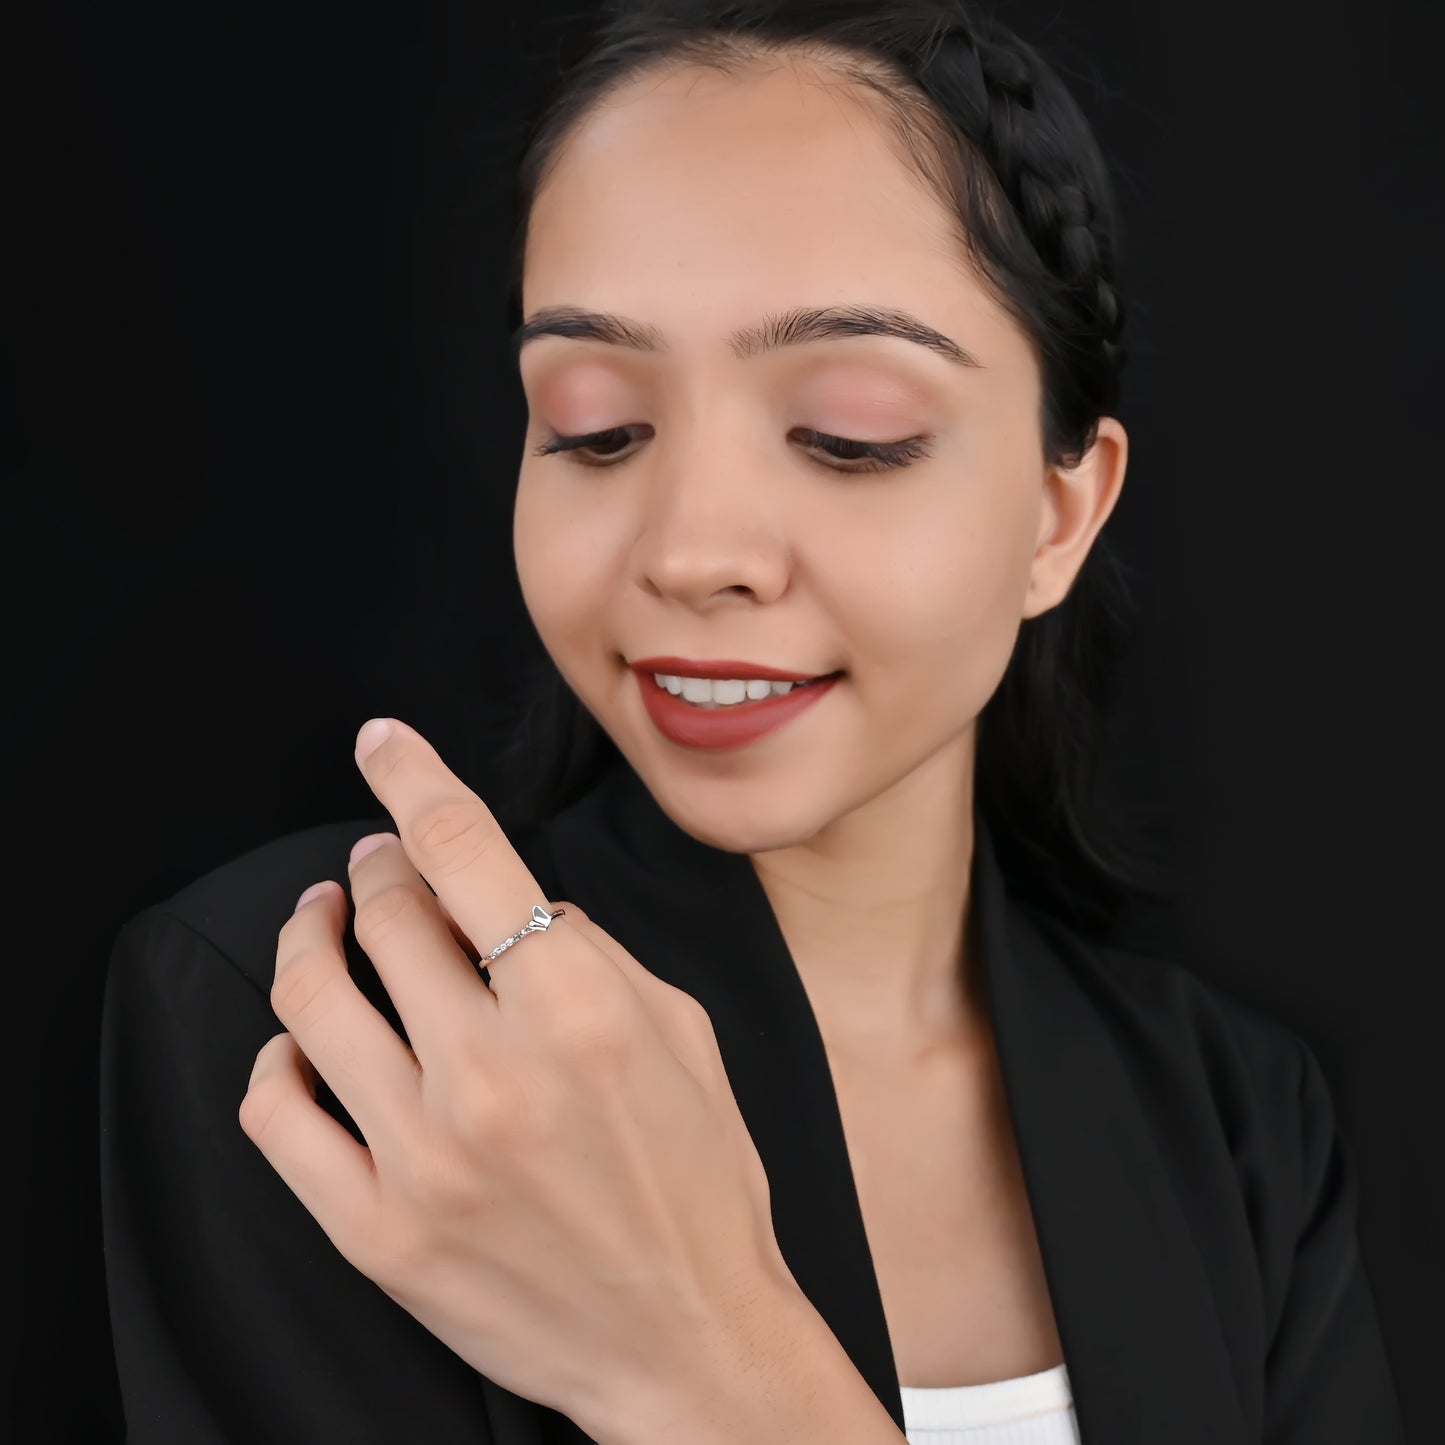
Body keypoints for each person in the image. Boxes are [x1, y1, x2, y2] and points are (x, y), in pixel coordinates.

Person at [98, 2, 1406, 1442]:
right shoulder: (343, 1026)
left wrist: (705, 1367)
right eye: (596, 425)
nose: (690, 549)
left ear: (1058, 514)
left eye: (848, 432)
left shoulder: (1229, 1116)